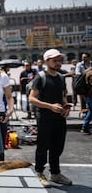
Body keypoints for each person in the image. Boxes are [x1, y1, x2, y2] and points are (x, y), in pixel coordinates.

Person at [29, 49, 72, 187]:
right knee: (43, 146)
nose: (58, 63)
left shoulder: (61, 77)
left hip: (59, 118)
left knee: (57, 147)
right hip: (45, 118)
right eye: (55, 60)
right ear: (46, 61)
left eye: (59, 60)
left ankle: (55, 173)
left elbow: (63, 96)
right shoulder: (40, 77)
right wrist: (50, 106)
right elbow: (32, 98)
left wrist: (66, 106)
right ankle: (40, 172)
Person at [75, 52, 92, 134]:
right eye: (82, 57)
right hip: (86, 91)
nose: (83, 58)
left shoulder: (91, 64)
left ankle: (85, 127)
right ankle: (85, 126)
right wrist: (88, 70)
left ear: (89, 57)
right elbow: (77, 74)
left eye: (85, 57)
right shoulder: (79, 65)